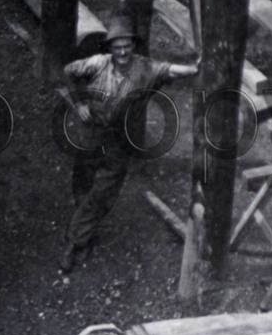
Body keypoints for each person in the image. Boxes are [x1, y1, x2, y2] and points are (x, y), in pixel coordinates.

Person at [59, 17, 199, 272]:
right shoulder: (97, 64)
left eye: (127, 47)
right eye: (117, 47)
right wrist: (78, 104)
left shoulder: (144, 69)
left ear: (133, 47)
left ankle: (74, 239)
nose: (123, 52)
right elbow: (69, 71)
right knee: (83, 181)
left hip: (119, 139)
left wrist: (194, 69)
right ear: (110, 48)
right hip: (91, 133)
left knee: (105, 190)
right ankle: (83, 234)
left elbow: (169, 69)